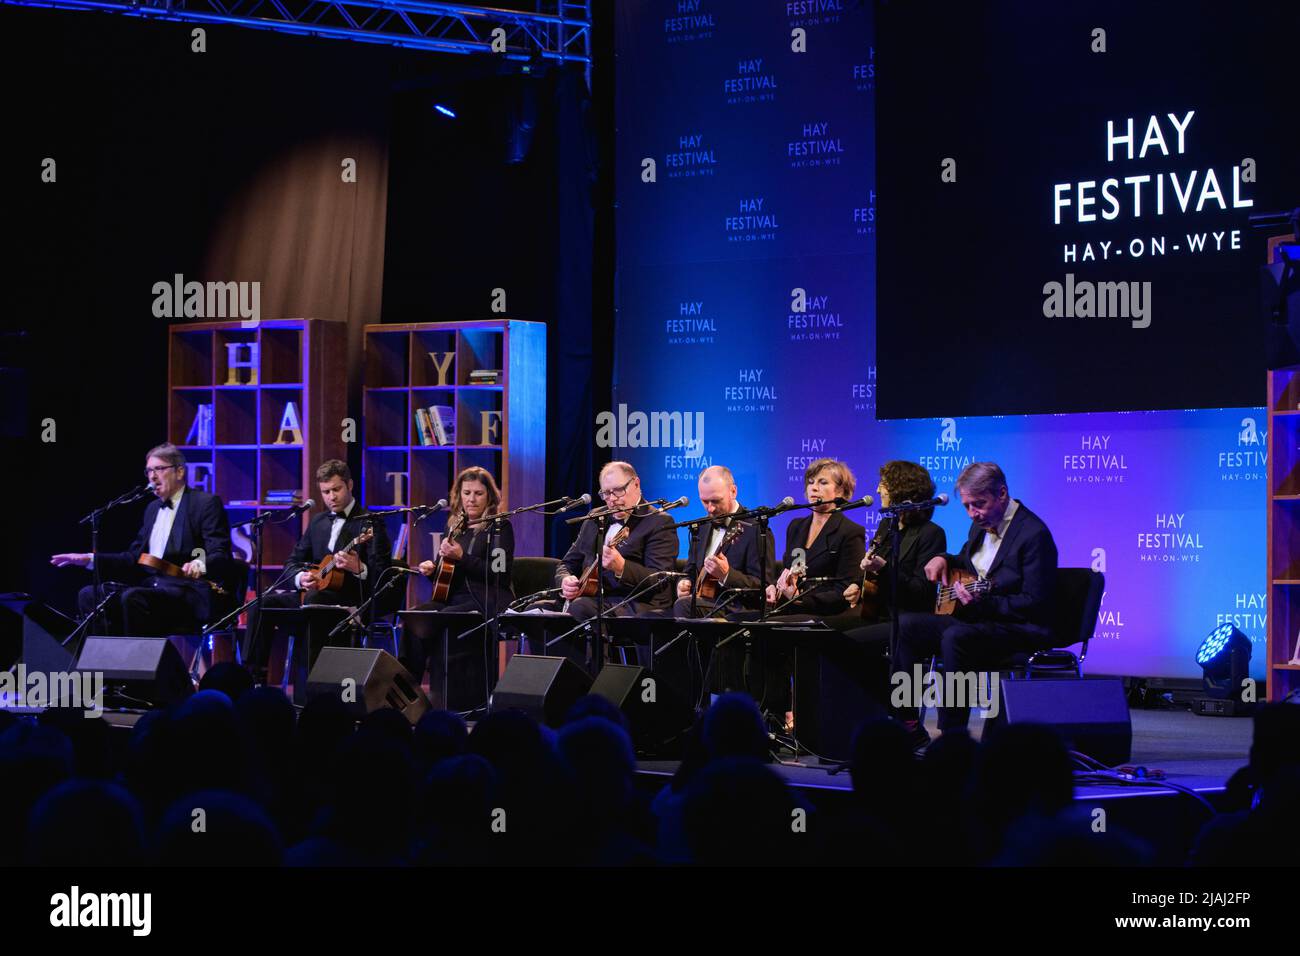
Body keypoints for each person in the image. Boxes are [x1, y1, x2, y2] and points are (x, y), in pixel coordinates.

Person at [892, 462, 1058, 746]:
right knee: (907, 625)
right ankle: (906, 723)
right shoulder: (978, 527)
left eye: (978, 504)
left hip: (1018, 628)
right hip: (979, 619)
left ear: (1002, 493)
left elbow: (1034, 603)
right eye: (967, 506)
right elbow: (966, 560)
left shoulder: (1033, 535)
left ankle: (952, 737)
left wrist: (985, 603)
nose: (972, 513)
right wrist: (943, 557)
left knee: (957, 636)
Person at [51, 443, 232, 636]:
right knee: (90, 595)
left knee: (133, 597)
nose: (152, 477)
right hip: (153, 588)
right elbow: (133, 557)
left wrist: (199, 564)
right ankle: (108, 660)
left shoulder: (205, 504)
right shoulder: (152, 509)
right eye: (148, 471)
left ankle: (138, 663)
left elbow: (220, 552)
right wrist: (89, 559)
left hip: (187, 591)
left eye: (159, 469)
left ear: (179, 472)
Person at [244, 460, 391, 689]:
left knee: (315, 602)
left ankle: (312, 687)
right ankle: (254, 681)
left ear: (350, 485)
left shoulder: (370, 523)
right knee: (260, 605)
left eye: (336, 489)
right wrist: (300, 578)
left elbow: (383, 574)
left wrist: (358, 568)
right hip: (311, 594)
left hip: (348, 600)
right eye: (326, 492)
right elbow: (292, 561)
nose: (331, 497)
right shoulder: (318, 522)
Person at [399, 467, 515, 702]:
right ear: (458, 495)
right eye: (466, 492)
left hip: (487, 599)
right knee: (413, 618)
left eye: (478, 493)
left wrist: (462, 557)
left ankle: (448, 698)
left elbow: (499, 573)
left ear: (490, 497)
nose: (471, 499)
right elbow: (448, 576)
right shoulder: (454, 526)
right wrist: (433, 571)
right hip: (454, 599)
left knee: (442, 619)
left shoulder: (500, 527)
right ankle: (408, 696)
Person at [556, 461, 679, 622]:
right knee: (536, 612)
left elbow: (660, 580)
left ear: (636, 483)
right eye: (606, 493)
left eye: (619, 490)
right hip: (593, 599)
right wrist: (565, 580)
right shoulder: (594, 517)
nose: (612, 499)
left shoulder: (659, 522)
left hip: (635, 604)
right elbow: (566, 564)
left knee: (581, 607)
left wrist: (622, 567)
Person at [766, 458, 867, 616]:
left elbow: (844, 590)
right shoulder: (796, 526)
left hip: (823, 615)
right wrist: (774, 587)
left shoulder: (850, 532)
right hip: (788, 609)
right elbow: (788, 570)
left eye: (823, 482)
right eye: (811, 482)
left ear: (840, 491)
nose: (814, 488)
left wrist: (799, 599)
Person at [673, 465, 774, 619]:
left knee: (685, 606)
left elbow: (764, 589)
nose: (711, 509)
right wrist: (683, 583)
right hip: (704, 604)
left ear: (733, 491)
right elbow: (690, 571)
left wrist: (727, 575)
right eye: (705, 501)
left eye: (716, 501)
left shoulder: (756, 529)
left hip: (736, 611)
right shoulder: (701, 527)